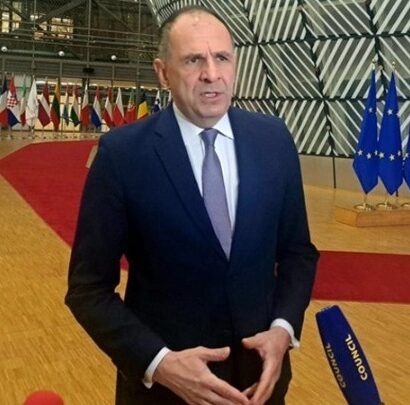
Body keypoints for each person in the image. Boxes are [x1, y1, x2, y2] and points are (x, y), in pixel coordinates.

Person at [65, 6, 319, 405]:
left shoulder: (273, 140)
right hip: (165, 395)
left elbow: (297, 254)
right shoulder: (122, 155)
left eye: (222, 58)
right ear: (163, 72)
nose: (211, 74)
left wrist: (283, 330)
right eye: (193, 60)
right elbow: (87, 289)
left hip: (260, 387)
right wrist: (159, 363)